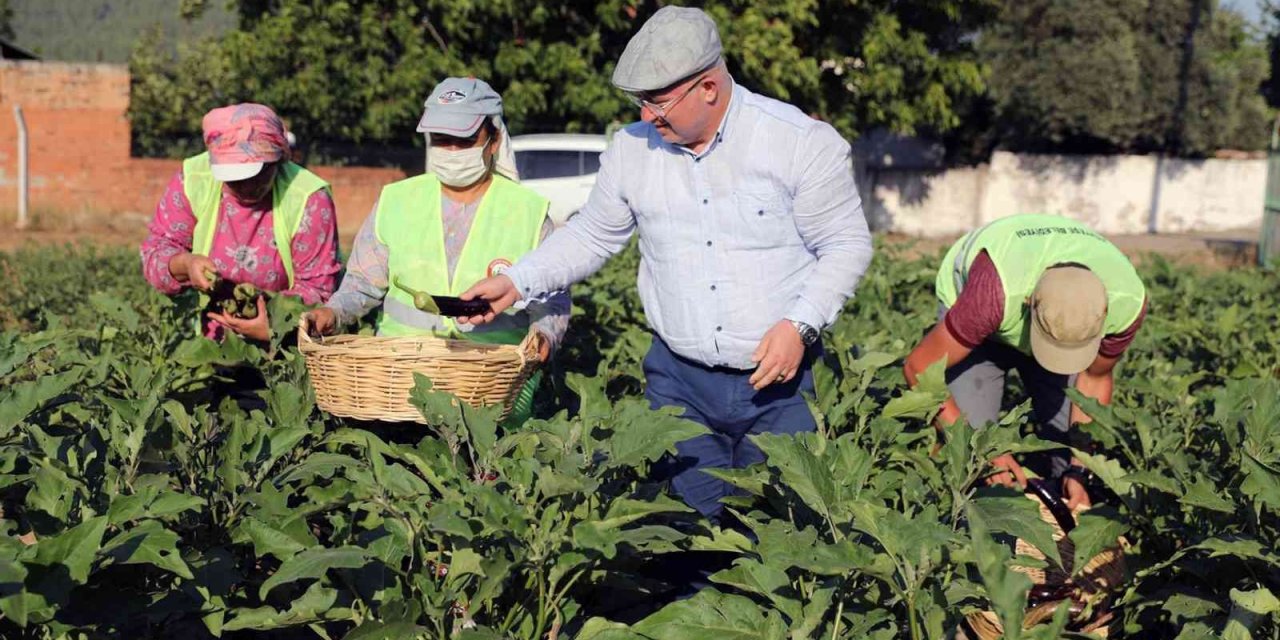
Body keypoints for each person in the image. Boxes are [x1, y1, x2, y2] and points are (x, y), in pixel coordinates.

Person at [458, 7, 873, 522]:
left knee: (781, 537)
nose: (647, 116)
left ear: (709, 88)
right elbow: (591, 234)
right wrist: (515, 282)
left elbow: (847, 244)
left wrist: (800, 324)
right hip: (679, 382)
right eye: (639, 101)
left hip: (779, 385)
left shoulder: (797, 142)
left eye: (657, 101)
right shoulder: (632, 151)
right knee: (687, 532)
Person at [302, 78, 569, 423]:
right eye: (442, 140)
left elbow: (553, 299)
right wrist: (333, 313)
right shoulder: (396, 200)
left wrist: (545, 336)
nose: (452, 151)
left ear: (494, 139)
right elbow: (361, 285)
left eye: (464, 140)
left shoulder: (527, 212)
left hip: (490, 388)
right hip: (397, 385)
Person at [902, 213, 1148, 509]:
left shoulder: (1127, 303)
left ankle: (1058, 519)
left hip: (1023, 312)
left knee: (1066, 444)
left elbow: (1094, 379)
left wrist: (1079, 469)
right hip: (978, 321)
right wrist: (977, 448)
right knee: (965, 455)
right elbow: (918, 369)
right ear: (1030, 304)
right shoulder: (994, 293)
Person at [140, 103, 341, 341]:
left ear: (277, 160)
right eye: (233, 179)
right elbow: (156, 253)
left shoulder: (309, 198)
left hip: (285, 346)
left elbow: (318, 289)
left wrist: (273, 327)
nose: (245, 187)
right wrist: (185, 264)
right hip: (199, 344)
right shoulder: (194, 179)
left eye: (255, 175)